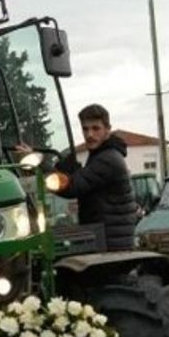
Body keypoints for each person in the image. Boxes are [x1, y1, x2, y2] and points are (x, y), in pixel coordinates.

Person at [37, 104, 136, 251]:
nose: (90, 134)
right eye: (85, 129)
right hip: (106, 240)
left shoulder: (107, 159)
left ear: (107, 130)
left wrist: (38, 162)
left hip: (110, 248)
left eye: (96, 129)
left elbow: (71, 187)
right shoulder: (101, 155)